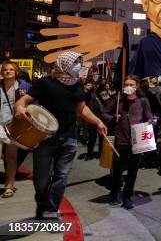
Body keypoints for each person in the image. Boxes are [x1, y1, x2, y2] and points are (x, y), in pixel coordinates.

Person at [13, 52, 108, 219]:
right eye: (75, 63)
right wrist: (20, 108)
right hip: (44, 137)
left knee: (61, 176)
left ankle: (51, 208)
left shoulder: (77, 86)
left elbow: (82, 109)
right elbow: (23, 101)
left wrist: (98, 122)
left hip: (69, 137)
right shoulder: (45, 83)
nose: (78, 66)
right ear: (64, 64)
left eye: (79, 63)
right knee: (41, 179)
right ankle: (42, 200)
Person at [102, 75, 153, 209]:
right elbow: (104, 113)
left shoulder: (143, 101)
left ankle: (127, 197)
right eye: (126, 84)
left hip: (137, 141)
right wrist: (114, 117)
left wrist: (149, 121)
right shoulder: (118, 100)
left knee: (133, 171)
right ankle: (114, 193)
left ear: (137, 86)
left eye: (131, 84)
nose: (128, 87)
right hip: (121, 140)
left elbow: (149, 116)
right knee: (117, 169)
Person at [1, 61, 24, 198]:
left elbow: (32, 104)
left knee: (11, 157)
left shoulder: (23, 87)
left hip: (14, 126)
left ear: (16, 72)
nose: (7, 71)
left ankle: (9, 185)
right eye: (5, 69)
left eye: (11, 69)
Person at [84, 79, 104, 160]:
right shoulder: (84, 94)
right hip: (91, 117)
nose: (90, 86)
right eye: (88, 85)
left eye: (91, 85)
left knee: (101, 137)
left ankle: (100, 153)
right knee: (92, 137)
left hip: (99, 116)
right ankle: (89, 154)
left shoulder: (95, 93)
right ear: (85, 86)